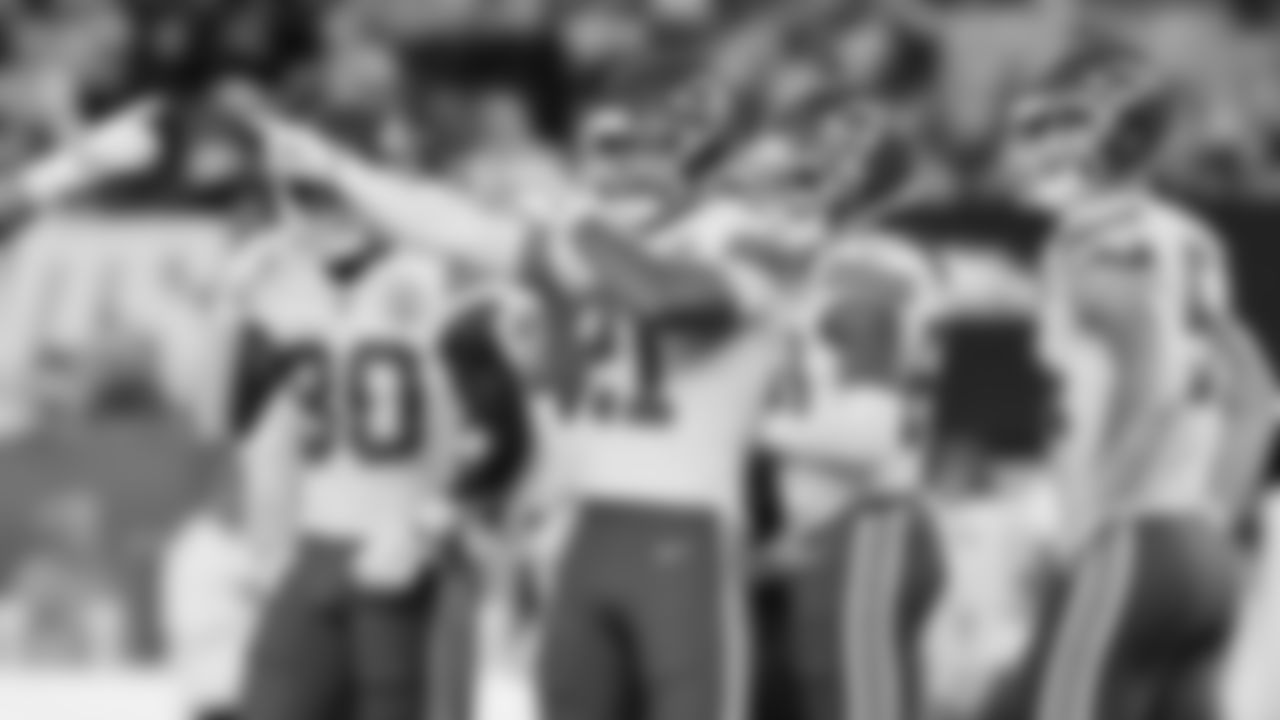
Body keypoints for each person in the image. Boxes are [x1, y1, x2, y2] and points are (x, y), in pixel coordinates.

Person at [998, 51, 1276, 720]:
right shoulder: (1192, 237)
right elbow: (1258, 392)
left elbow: (1154, 383)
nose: (1024, 148)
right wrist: (1214, 515)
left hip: (1131, 542)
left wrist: (1093, 514)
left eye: (1045, 128)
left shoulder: (1098, 236)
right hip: (1199, 555)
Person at [212, 181, 473, 720]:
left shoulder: (432, 279)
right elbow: (230, 415)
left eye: (327, 200)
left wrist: (429, 521)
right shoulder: (287, 290)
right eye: (303, 202)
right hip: (316, 549)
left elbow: (500, 420)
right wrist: (231, 310)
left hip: (407, 547)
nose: (316, 219)